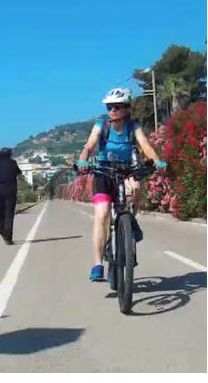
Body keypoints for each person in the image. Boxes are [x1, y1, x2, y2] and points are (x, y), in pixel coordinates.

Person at [77, 88, 166, 282]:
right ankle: (98, 264)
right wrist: (83, 160)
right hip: (103, 172)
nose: (113, 111)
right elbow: (89, 145)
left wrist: (157, 161)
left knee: (135, 189)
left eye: (117, 107)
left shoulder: (133, 125)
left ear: (127, 109)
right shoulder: (102, 124)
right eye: (110, 107)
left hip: (126, 170)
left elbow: (145, 145)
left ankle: (130, 221)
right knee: (101, 214)